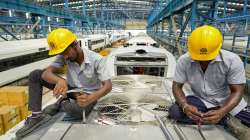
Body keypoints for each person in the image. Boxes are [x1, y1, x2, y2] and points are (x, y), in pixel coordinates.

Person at [16, 28, 112, 138]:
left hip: (88, 95)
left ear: (75, 45)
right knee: (35, 74)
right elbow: (46, 73)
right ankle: (37, 116)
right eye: (62, 53)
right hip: (70, 90)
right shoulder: (64, 56)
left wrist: (91, 98)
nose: (65, 56)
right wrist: (60, 80)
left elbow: (108, 86)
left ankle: (62, 103)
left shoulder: (97, 60)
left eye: (66, 52)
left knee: (80, 111)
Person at [168, 25, 250, 140]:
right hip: (202, 100)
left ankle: (222, 117)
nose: (203, 60)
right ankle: (223, 119)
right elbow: (177, 86)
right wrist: (185, 105)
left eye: (208, 58)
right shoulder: (184, 61)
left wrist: (222, 111)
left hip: (228, 102)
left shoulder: (232, 60)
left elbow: (237, 91)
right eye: (199, 58)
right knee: (175, 111)